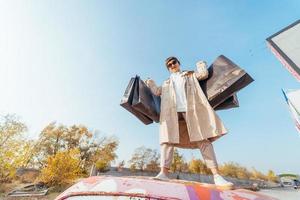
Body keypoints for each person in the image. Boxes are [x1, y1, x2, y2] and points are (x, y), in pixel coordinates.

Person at [145, 56, 233, 189]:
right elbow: (157, 92)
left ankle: (217, 176)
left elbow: (204, 74)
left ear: (179, 63)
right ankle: (163, 173)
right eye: (169, 65)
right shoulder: (166, 82)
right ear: (168, 69)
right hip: (171, 113)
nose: (172, 65)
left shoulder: (189, 75)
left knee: (202, 139)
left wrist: (201, 64)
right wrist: (150, 82)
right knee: (167, 140)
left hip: (191, 110)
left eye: (174, 62)